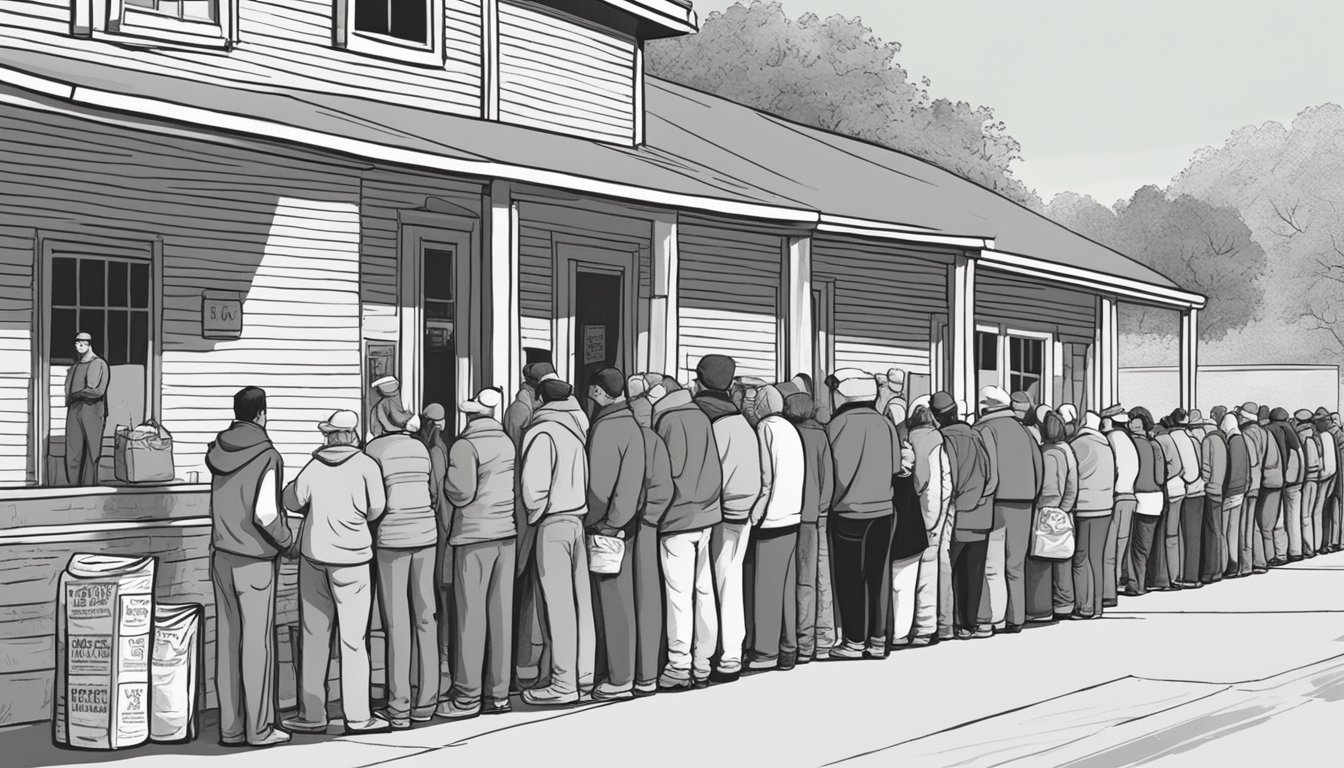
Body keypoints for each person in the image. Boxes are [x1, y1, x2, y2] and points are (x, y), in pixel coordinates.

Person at [281, 410, 389, 736]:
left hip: (314, 559)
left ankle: (312, 715)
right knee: (354, 641)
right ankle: (358, 716)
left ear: (328, 437)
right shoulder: (367, 466)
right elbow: (377, 508)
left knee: (315, 640)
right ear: (353, 436)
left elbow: (291, 500)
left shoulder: (313, 467)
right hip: (354, 562)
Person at [206, 386, 295, 748]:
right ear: (262, 414)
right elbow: (265, 513)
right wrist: (288, 542)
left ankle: (231, 728)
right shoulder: (267, 455)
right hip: (254, 559)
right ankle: (259, 730)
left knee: (228, 643)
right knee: (256, 644)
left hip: (221, 554)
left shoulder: (218, 450)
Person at [438, 387, 517, 720]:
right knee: (500, 616)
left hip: (473, 536)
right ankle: (498, 694)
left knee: (471, 616)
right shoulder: (507, 443)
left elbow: (461, 491)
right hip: (506, 534)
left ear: (469, 416)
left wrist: (444, 482)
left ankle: (467, 696)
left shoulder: (465, 446)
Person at [519, 378, 595, 706]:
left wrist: (533, 516)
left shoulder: (543, 431)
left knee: (559, 605)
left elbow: (533, 489)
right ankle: (584, 675)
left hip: (553, 522)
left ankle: (564, 684)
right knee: (582, 603)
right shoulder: (578, 428)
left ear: (539, 399)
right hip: (578, 519)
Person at [649, 376, 723, 690]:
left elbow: (666, 474)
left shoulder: (666, 421)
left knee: (679, 596)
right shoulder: (700, 417)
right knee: (705, 592)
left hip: (678, 518)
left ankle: (679, 665)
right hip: (707, 516)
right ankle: (703, 663)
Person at [827, 369, 907, 658]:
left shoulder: (838, 425)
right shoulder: (884, 424)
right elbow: (897, 466)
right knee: (878, 576)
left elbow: (835, 472)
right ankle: (877, 639)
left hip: (849, 510)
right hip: (884, 510)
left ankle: (854, 641)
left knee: (850, 578)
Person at [692, 355, 762, 684]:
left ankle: (704, 655)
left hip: (714, 513)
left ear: (699, 381)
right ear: (731, 385)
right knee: (729, 583)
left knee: (705, 586)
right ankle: (731, 654)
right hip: (742, 512)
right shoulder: (742, 423)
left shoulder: (702, 419)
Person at [366, 413, 438, 729]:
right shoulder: (420, 448)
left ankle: (399, 706)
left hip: (392, 538)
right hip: (426, 535)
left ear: (378, 422)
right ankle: (428, 701)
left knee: (397, 623)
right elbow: (434, 492)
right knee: (426, 617)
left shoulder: (373, 451)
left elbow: (372, 502)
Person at [583, 368, 646, 702]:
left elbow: (598, 489)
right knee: (622, 603)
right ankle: (623, 674)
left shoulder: (607, 428)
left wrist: (593, 521)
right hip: (627, 524)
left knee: (611, 605)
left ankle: (619, 678)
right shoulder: (631, 424)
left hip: (608, 528)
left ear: (597, 392)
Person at [974, 386, 1044, 635]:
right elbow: (1039, 467)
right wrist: (1032, 494)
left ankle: (993, 616)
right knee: (1015, 564)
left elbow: (988, 471)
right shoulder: (1025, 431)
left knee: (991, 563)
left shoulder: (984, 429)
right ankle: (1017, 616)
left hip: (997, 501)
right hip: (1024, 501)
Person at [746, 385, 804, 670]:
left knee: (766, 588)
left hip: (772, 517)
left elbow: (766, 477)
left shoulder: (765, 428)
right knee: (785, 589)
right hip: (793, 516)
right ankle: (788, 648)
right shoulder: (790, 429)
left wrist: (756, 512)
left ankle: (765, 652)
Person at [505, 362, 554, 690]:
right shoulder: (522, 412)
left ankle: (524, 658)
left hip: (532, 507)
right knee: (521, 586)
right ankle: (520, 660)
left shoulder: (528, 409)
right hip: (525, 509)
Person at [932, 393, 993, 639]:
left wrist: (958, 503)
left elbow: (950, 478)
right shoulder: (976, 435)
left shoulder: (944, 439)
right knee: (974, 573)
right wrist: (980, 498)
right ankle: (970, 623)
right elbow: (991, 475)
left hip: (956, 516)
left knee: (950, 572)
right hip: (980, 514)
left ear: (937, 416)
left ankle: (953, 623)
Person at [784, 391, 836, 661]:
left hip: (796, 515)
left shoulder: (788, 434)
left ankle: (804, 642)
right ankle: (824, 640)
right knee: (821, 576)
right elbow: (828, 476)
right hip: (818, 513)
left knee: (801, 580)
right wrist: (823, 507)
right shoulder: (820, 435)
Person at [631, 378, 674, 696]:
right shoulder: (655, 439)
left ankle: (642, 673)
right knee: (648, 599)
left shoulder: (635, 438)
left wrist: (645, 519)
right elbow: (664, 488)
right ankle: (647, 671)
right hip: (646, 526)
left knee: (637, 600)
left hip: (639, 528)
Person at [908, 403, 952, 644]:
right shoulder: (937, 439)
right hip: (933, 508)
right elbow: (945, 479)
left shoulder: (908, 437)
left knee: (908, 566)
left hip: (911, 508)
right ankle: (926, 625)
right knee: (929, 564)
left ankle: (907, 623)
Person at [418, 403, 454, 694]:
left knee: (438, 598)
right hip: (440, 528)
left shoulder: (435, 452)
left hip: (438, 530)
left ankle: (441, 661)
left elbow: (436, 493)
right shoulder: (442, 449)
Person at [1070, 411, 1115, 619]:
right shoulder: (1105, 444)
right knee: (1096, 558)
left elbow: (1072, 473)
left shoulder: (1081, 444)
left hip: (1086, 507)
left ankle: (1085, 606)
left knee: (1082, 558)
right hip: (1105, 507)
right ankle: (1097, 606)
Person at [1039, 410, 1079, 618]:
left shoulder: (1041, 450)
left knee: (1041, 557)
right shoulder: (1067, 451)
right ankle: (1064, 604)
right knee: (1063, 557)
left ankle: (1042, 606)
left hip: (1041, 510)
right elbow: (1072, 484)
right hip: (1061, 509)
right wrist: (1065, 508)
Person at [1124, 408, 1165, 596]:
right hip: (1155, 498)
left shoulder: (1130, 445)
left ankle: (1136, 584)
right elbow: (1160, 476)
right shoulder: (1154, 444)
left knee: (1134, 546)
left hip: (1137, 496)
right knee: (1145, 545)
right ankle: (1143, 581)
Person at [1101, 405, 1138, 608]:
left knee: (1109, 549)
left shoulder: (1111, 440)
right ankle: (1116, 584)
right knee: (1121, 545)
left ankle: (1109, 592)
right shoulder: (1129, 441)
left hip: (1115, 497)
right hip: (1130, 497)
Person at [64, 331, 109, 486]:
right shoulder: (76, 365)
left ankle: (89, 486)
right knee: (73, 449)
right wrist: (72, 398)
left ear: (90, 344)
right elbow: (69, 389)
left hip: (92, 408)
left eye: (84, 342)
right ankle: (72, 486)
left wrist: (78, 394)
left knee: (92, 449)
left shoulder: (98, 363)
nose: (80, 345)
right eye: (77, 342)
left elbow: (96, 390)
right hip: (74, 409)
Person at [1238, 402, 1277, 577]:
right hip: (1260, 481)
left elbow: (1251, 461)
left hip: (1249, 484)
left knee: (1246, 525)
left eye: (1240, 414)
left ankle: (1248, 564)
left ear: (1245, 417)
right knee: (1253, 523)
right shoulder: (1264, 432)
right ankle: (1260, 560)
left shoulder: (1247, 434)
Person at [1169, 409, 1206, 587]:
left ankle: (1182, 575)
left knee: (1176, 536)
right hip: (1196, 490)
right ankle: (1191, 576)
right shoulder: (1190, 438)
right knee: (1192, 536)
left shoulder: (1174, 438)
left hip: (1182, 491)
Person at [1151, 415, 1185, 590]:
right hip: (1178, 489)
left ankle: (1172, 576)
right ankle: (1175, 573)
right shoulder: (1171, 438)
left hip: (1171, 490)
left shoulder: (1161, 440)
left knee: (1170, 535)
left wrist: (1162, 477)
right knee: (1174, 534)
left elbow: (1173, 467)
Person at [1198, 412, 1230, 584]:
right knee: (1217, 531)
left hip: (1210, 491)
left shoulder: (1208, 440)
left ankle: (1210, 571)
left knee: (1210, 533)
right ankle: (1218, 569)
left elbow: (1206, 467)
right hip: (1220, 490)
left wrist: (1202, 482)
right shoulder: (1222, 441)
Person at [1221, 412, 1250, 578]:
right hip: (1240, 490)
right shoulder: (1241, 439)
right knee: (1234, 530)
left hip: (1231, 491)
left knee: (1224, 531)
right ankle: (1235, 564)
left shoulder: (1232, 441)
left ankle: (1226, 565)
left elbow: (1230, 468)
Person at [1298, 410, 1328, 558]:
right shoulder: (1316, 437)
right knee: (1311, 514)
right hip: (1316, 479)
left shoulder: (1304, 437)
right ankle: (1315, 545)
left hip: (1307, 480)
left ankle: (1309, 548)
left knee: (1305, 516)